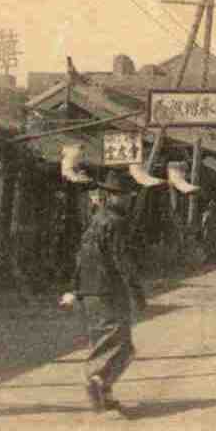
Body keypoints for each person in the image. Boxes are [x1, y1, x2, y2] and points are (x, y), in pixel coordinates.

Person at [63, 170, 145, 413]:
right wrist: (137, 291)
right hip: (109, 289)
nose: (128, 200)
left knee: (102, 339)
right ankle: (98, 379)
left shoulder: (96, 220)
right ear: (114, 197)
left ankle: (105, 394)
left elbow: (81, 257)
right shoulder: (116, 223)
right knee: (123, 345)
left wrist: (76, 289)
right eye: (126, 196)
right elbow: (122, 260)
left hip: (89, 290)